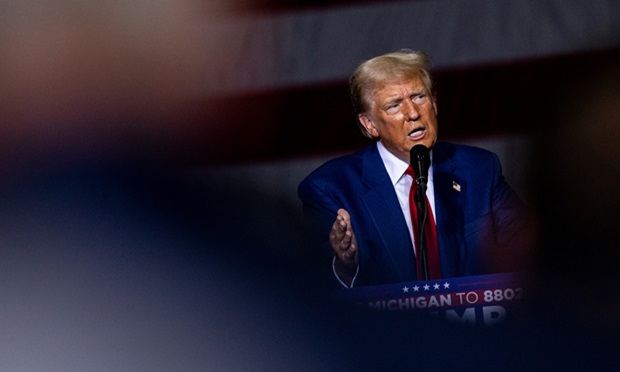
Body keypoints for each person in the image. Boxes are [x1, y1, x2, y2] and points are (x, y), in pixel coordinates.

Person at [298, 49, 532, 288]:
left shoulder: (479, 169)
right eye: (394, 105)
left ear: (435, 104)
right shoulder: (330, 189)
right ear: (369, 124)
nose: (413, 113)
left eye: (419, 97)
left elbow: (531, 253)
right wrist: (345, 266)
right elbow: (314, 293)